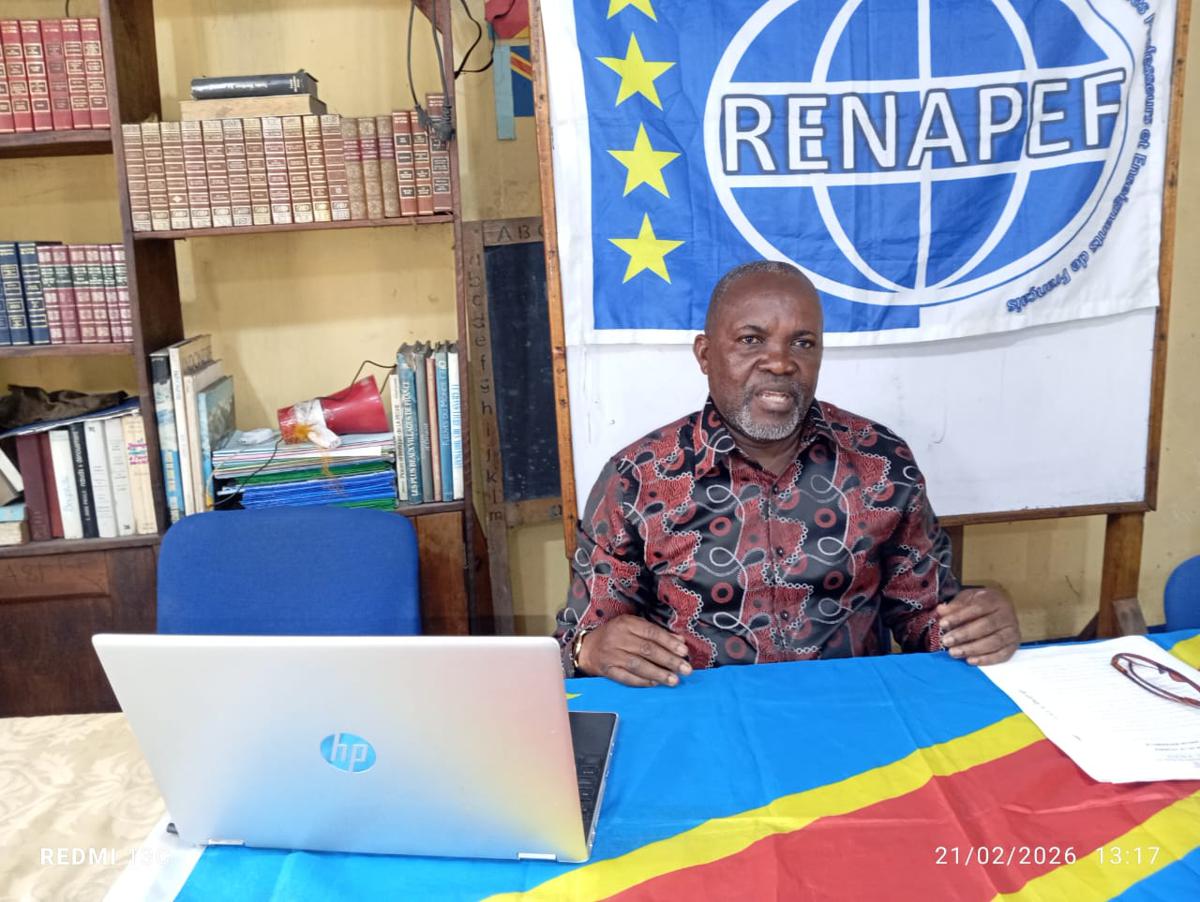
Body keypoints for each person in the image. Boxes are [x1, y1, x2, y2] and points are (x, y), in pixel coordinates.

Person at [554, 261, 1020, 686]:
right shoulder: (638, 478)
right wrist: (589, 649)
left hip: (853, 714)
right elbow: (576, 638)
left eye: (802, 343)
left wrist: (979, 624)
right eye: (751, 340)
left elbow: (927, 618)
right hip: (700, 719)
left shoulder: (880, 461)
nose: (780, 363)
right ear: (705, 354)